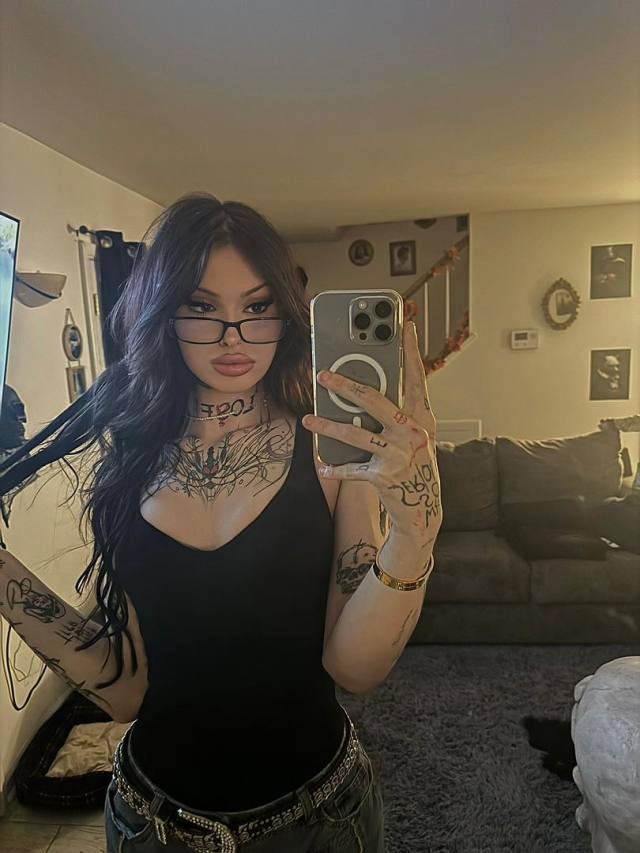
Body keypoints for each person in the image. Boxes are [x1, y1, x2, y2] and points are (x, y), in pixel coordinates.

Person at [0, 193, 440, 852]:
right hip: (151, 827)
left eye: (257, 308)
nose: (233, 336)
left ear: (285, 315)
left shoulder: (327, 452)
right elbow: (126, 689)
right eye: (203, 308)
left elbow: (355, 668)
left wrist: (414, 534)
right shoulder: (127, 455)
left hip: (316, 823)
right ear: (162, 315)